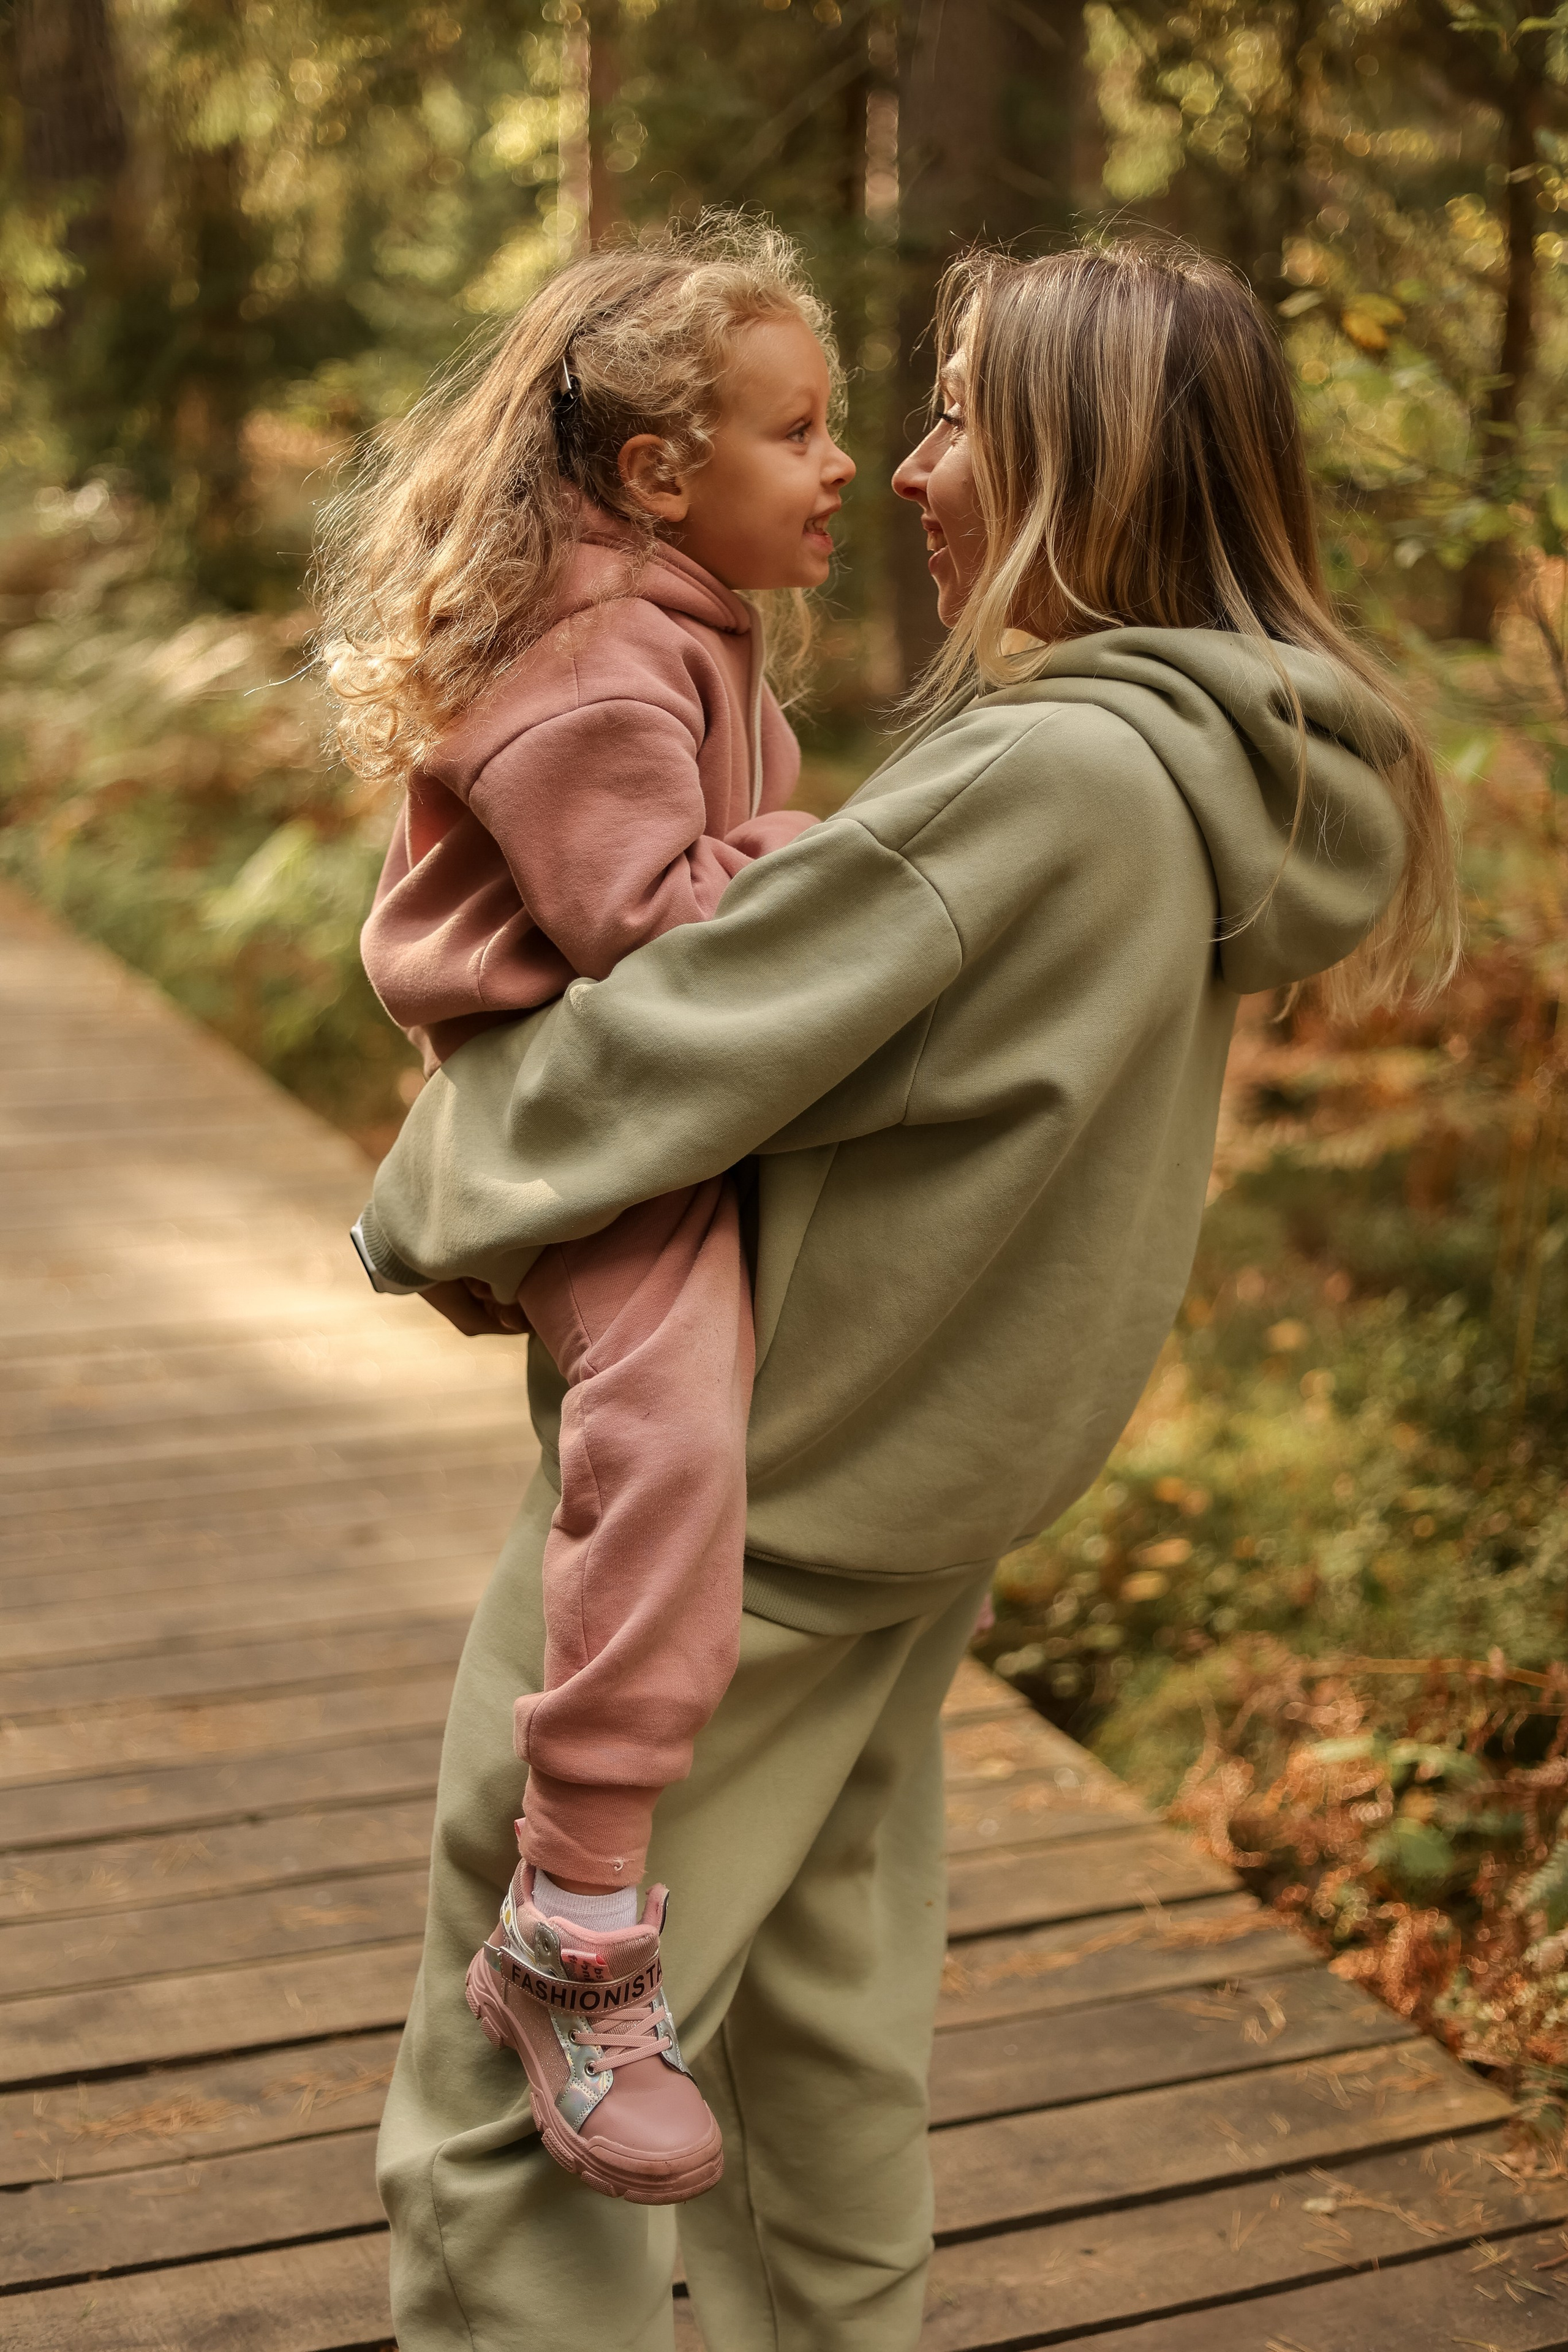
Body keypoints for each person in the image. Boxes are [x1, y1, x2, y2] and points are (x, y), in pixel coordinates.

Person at [354, 238, 1457, 2352]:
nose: (916, 473)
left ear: (1072, 467)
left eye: (957, 419)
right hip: (915, 1507)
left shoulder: (1042, 781)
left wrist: (426, 1187)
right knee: (817, 2071)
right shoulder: (1217, 779)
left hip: (733, 1527)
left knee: (517, 2114)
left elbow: (667, 1042)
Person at [317, 217, 853, 2205]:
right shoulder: (598, 669)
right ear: (655, 471)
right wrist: (836, 852)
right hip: (581, 1113)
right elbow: (651, 930)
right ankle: (573, 1919)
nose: (837, 471)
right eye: (796, 432)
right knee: (671, 1435)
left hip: (642, 1101)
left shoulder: (682, 624)